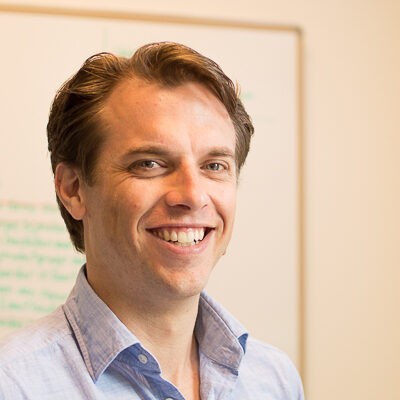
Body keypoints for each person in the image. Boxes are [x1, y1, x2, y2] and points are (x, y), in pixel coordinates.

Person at [0, 42, 304, 399]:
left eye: (214, 166)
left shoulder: (274, 381)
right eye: (149, 164)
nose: (193, 195)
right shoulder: (14, 384)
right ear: (74, 189)